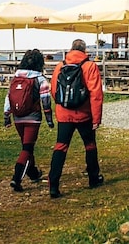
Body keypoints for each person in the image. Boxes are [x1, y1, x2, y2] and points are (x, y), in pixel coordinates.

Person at [48, 38, 104, 198]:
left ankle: (53, 184)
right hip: (84, 114)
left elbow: (54, 90)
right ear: (84, 50)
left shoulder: (60, 66)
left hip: (64, 114)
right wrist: (96, 119)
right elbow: (96, 94)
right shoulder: (90, 66)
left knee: (61, 146)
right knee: (90, 145)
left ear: (71, 49)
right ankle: (93, 178)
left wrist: (62, 106)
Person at [4, 49, 54, 192]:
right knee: (27, 148)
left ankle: (32, 172)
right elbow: (45, 99)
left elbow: (8, 97)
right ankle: (16, 178)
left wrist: (6, 117)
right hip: (33, 118)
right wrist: (49, 119)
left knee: (26, 146)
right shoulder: (40, 79)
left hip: (17, 117)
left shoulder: (16, 78)